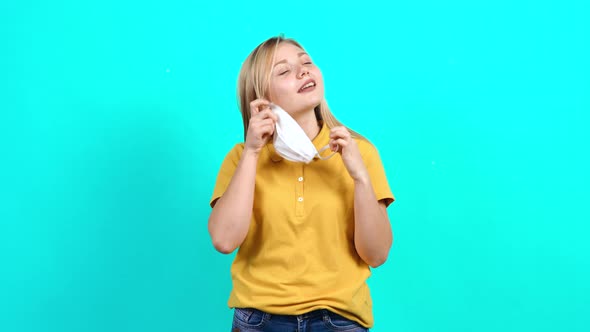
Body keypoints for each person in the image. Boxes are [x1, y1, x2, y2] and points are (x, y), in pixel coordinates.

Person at [208, 35, 395, 332]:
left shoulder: (360, 153)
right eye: (283, 71)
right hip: (259, 320)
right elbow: (223, 240)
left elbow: (377, 254)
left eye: (306, 62)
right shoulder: (242, 158)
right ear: (261, 97)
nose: (303, 71)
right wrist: (253, 152)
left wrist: (360, 177)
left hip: (339, 321)